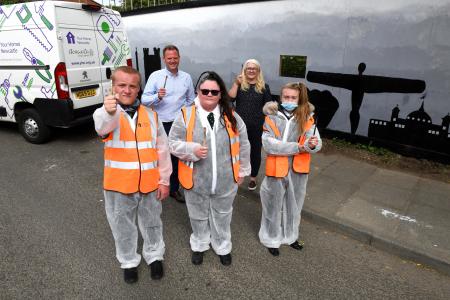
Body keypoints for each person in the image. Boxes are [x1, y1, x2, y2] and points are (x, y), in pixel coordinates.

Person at [93, 66, 171, 283]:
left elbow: (162, 150)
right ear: (113, 87)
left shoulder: (151, 115)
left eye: (132, 86)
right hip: (119, 185)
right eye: (122, 85)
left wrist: (164, 180)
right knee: (122, 225)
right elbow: (102, 128)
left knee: (152, 222)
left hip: (149, 183)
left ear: (139, 89)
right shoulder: (105, 114)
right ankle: (128, 261)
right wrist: (108, 111)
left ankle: (154, 255)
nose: (127, 90)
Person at [169, 71, 251, 266]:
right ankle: (199, 244)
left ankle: (222, 245)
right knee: (197, 215)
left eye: (214, 92)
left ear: (220, 94)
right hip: (196, 179)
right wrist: (192, 149)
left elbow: (244, 144)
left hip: (226, 180)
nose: (209, 95)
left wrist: (243, 171)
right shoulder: (185, 115)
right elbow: (172, 143)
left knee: (223, 215)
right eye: (205, 90)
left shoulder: (232, 116)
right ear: (198, 91)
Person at [258, 82, 321, 256]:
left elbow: (316, 142)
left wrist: (312, 144)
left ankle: (291, 237)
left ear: (299, 99)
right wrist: (298, 147)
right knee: (273, 204)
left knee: (294, 206)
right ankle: (271, 238)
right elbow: (269, 144)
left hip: (298, 170)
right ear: (281, 97)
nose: (289, 100)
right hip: (277, 168)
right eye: (286, 97)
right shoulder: (271, 117)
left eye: (293, 97)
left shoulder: (308, 117)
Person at [141, 44, 195, 203]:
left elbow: (191, 100)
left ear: (179, 58)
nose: (172, 61)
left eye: (175, 58)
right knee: (162, 156)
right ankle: (159, 183)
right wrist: (157, 97)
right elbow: (144, 99)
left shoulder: (186, 77)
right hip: (162, 123)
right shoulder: (156, 76)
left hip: (180, 123)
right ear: (164, 59)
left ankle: (174, 187)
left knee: (179, 155)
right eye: (169, 58)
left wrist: (184, 116)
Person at [228, 59, 272, 191]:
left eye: (254, 68)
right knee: (236, 150)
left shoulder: (264, 87)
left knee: (255, 152)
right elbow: (230, 98)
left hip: (257, 126)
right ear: (244, 70)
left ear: (258, 71)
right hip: (239, 125)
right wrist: (236, 83)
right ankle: (236, 173)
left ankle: (253, 178)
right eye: (248, 68)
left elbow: (268, 106)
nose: (251, 70)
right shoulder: (240, 85)